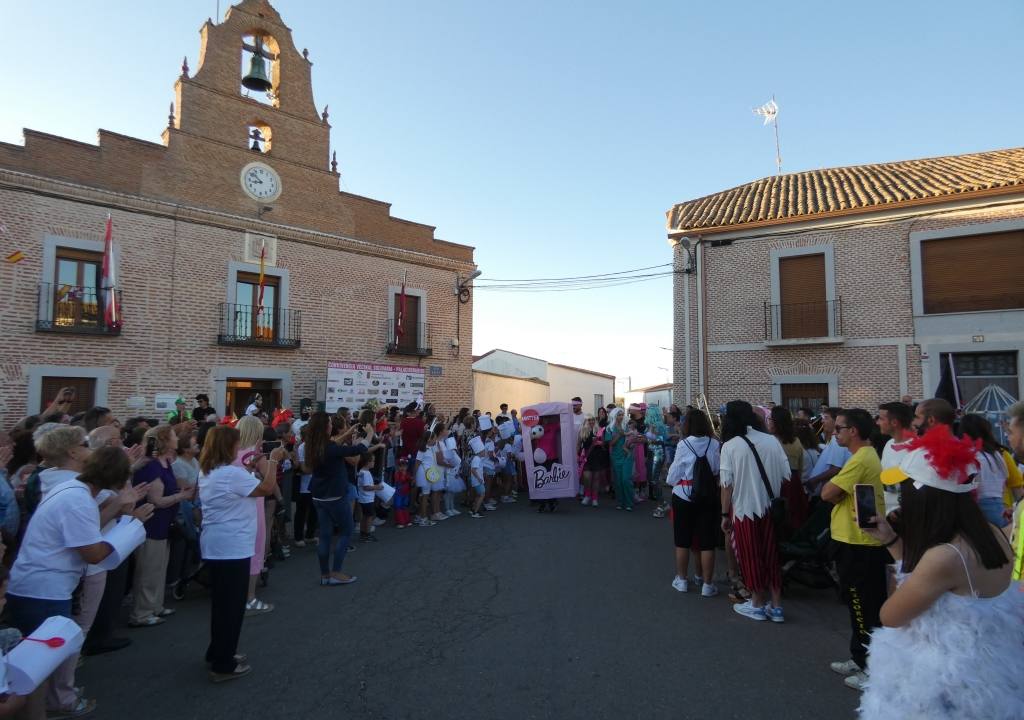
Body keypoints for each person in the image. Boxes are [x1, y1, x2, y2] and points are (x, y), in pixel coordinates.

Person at [858, 426, 1021, 718]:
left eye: (904, 488)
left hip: (942, 695)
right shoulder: (992, 534)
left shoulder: (944, 557)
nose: (902, 497)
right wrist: (891, 541)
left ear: (924, 498)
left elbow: (891, 616)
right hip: (986, 682)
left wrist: (898, 550)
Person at [8, 432, 152, 718]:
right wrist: (132, 525)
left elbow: (85, 531)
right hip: (43, 590)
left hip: (42, 586)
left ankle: (51, 703)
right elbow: (94, 552)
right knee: (38, 666)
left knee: (40, 664)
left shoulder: (77, 492)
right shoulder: (77, 498)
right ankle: (50, 706)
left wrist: (118, 510)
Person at [198, 425, 285, 682]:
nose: (239, 448)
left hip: (218, 544)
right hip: (231, 547)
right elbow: (267, 487)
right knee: (231, 608)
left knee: (222, 606)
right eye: (236, 444)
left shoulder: (211, 470)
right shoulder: (229, 474)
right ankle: (223, 663)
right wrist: (272, 461)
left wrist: (255, 462)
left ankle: (218, 652)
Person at [820, 409, 889, 691]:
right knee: (857, 605)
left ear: (854, 431)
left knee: (864, 607)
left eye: (839, 428)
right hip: (854, 540)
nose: (835, 432)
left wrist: (834, 494)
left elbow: (827, 493)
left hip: (859, 543)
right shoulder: (861, 457)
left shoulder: (861, 459)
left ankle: (869, 667)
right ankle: (858, 656)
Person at [719, 400, 790, 622]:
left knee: (750, 555)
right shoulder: (771, 441)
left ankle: (757, 602)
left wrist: (724, 514)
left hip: (744, 509)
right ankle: (776, 605)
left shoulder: (730, 446)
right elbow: (787, 474)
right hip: (771, 507)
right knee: (771, 555)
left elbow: (726, 485)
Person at [129, 424, 193, 627]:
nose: (177, 438)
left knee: (159, 567)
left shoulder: (165, 462)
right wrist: (181, 496)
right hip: (152, 524)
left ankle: (155, 606)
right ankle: (142, 613)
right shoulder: (152, 465)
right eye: (173, 435)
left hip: (164, 523)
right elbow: (156, 500)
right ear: (165, 440)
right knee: (148, 569)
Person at [304, 412, 372, 584]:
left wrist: (347, 434)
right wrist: (370, 433)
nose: (330, 425)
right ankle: (336, 572)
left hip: (319, 496)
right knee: (346, 531)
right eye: (328, 423)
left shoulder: (312, 445)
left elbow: (333, 445)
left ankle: (325, 575)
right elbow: (359, 449)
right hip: (335, 495)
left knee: (325, 535)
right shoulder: (330, 448)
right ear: (325, 427)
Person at [667, 408, 721, 596]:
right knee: (707, 540)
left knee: (682, 540)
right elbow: (716, 469)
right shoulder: (714, 443)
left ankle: (681, 579)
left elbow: (674, 473)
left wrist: (673, 481)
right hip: (707, 495)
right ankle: (707, 584)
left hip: (684, 494)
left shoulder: (683, 444)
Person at [959, 414, 1022, 527]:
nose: (1008, 436)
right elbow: (1014, 484)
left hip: (978, 507)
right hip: (1001, 506)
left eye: (1011, 432)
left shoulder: (967, 454)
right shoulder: (999, 454)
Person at [771, 406, 808, 530]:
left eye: (770, 419)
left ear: (776, 422)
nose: (768, 422)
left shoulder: (771, 441)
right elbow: (801, 466)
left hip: (778, 482)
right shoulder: (796, 440)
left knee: (781, 517)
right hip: (794, 481)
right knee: (795, 517)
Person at [804, 407, 851, 499]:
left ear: (836, 420)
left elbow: (835, 469)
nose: (822, 421)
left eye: (826, 418)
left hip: (828, 495)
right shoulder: (833, 439)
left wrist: (814, 480)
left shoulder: (837, 440)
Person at [606, 408, 634, 511]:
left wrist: (632, 441)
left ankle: (629, 502)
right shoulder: (609, 428)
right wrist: (619, 435)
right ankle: (621, 502)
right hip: (615, 456)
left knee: (626, 480)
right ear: (614, 416)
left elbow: (631, 440)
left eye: (622, 415)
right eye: (619, 415)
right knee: (618, 481)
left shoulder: (626, 427)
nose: (621, 417)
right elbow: (610, 444)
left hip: (627, 455)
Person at [578, 415, 607, 507]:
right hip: (587, 457)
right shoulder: (582, 431)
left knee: (596, 478)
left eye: (593, 420)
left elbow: (604, 444)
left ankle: (594, 498)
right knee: (587, 478)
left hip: (597, 456)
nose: (591, 422)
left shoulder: (599, 430)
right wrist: (576, 455)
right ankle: (587, 495)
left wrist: (600, 442)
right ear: (586, 421)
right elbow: (578, 444)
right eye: (589, 420)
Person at [876, 402, 914, 469]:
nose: (877, 423)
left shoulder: (916, 450)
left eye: (881, 419)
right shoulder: (889, 443)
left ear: (894, 422)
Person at [356, 454, 382, 542]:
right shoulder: (366, 473)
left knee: (365, 515)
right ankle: (367, 534)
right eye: (373, 461)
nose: (374, 463)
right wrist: (377, 487)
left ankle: (363, 533)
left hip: (363, 498)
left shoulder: (362, 471)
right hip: (367, 499)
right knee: (369, 516)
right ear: (368, 462)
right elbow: (366, 487)